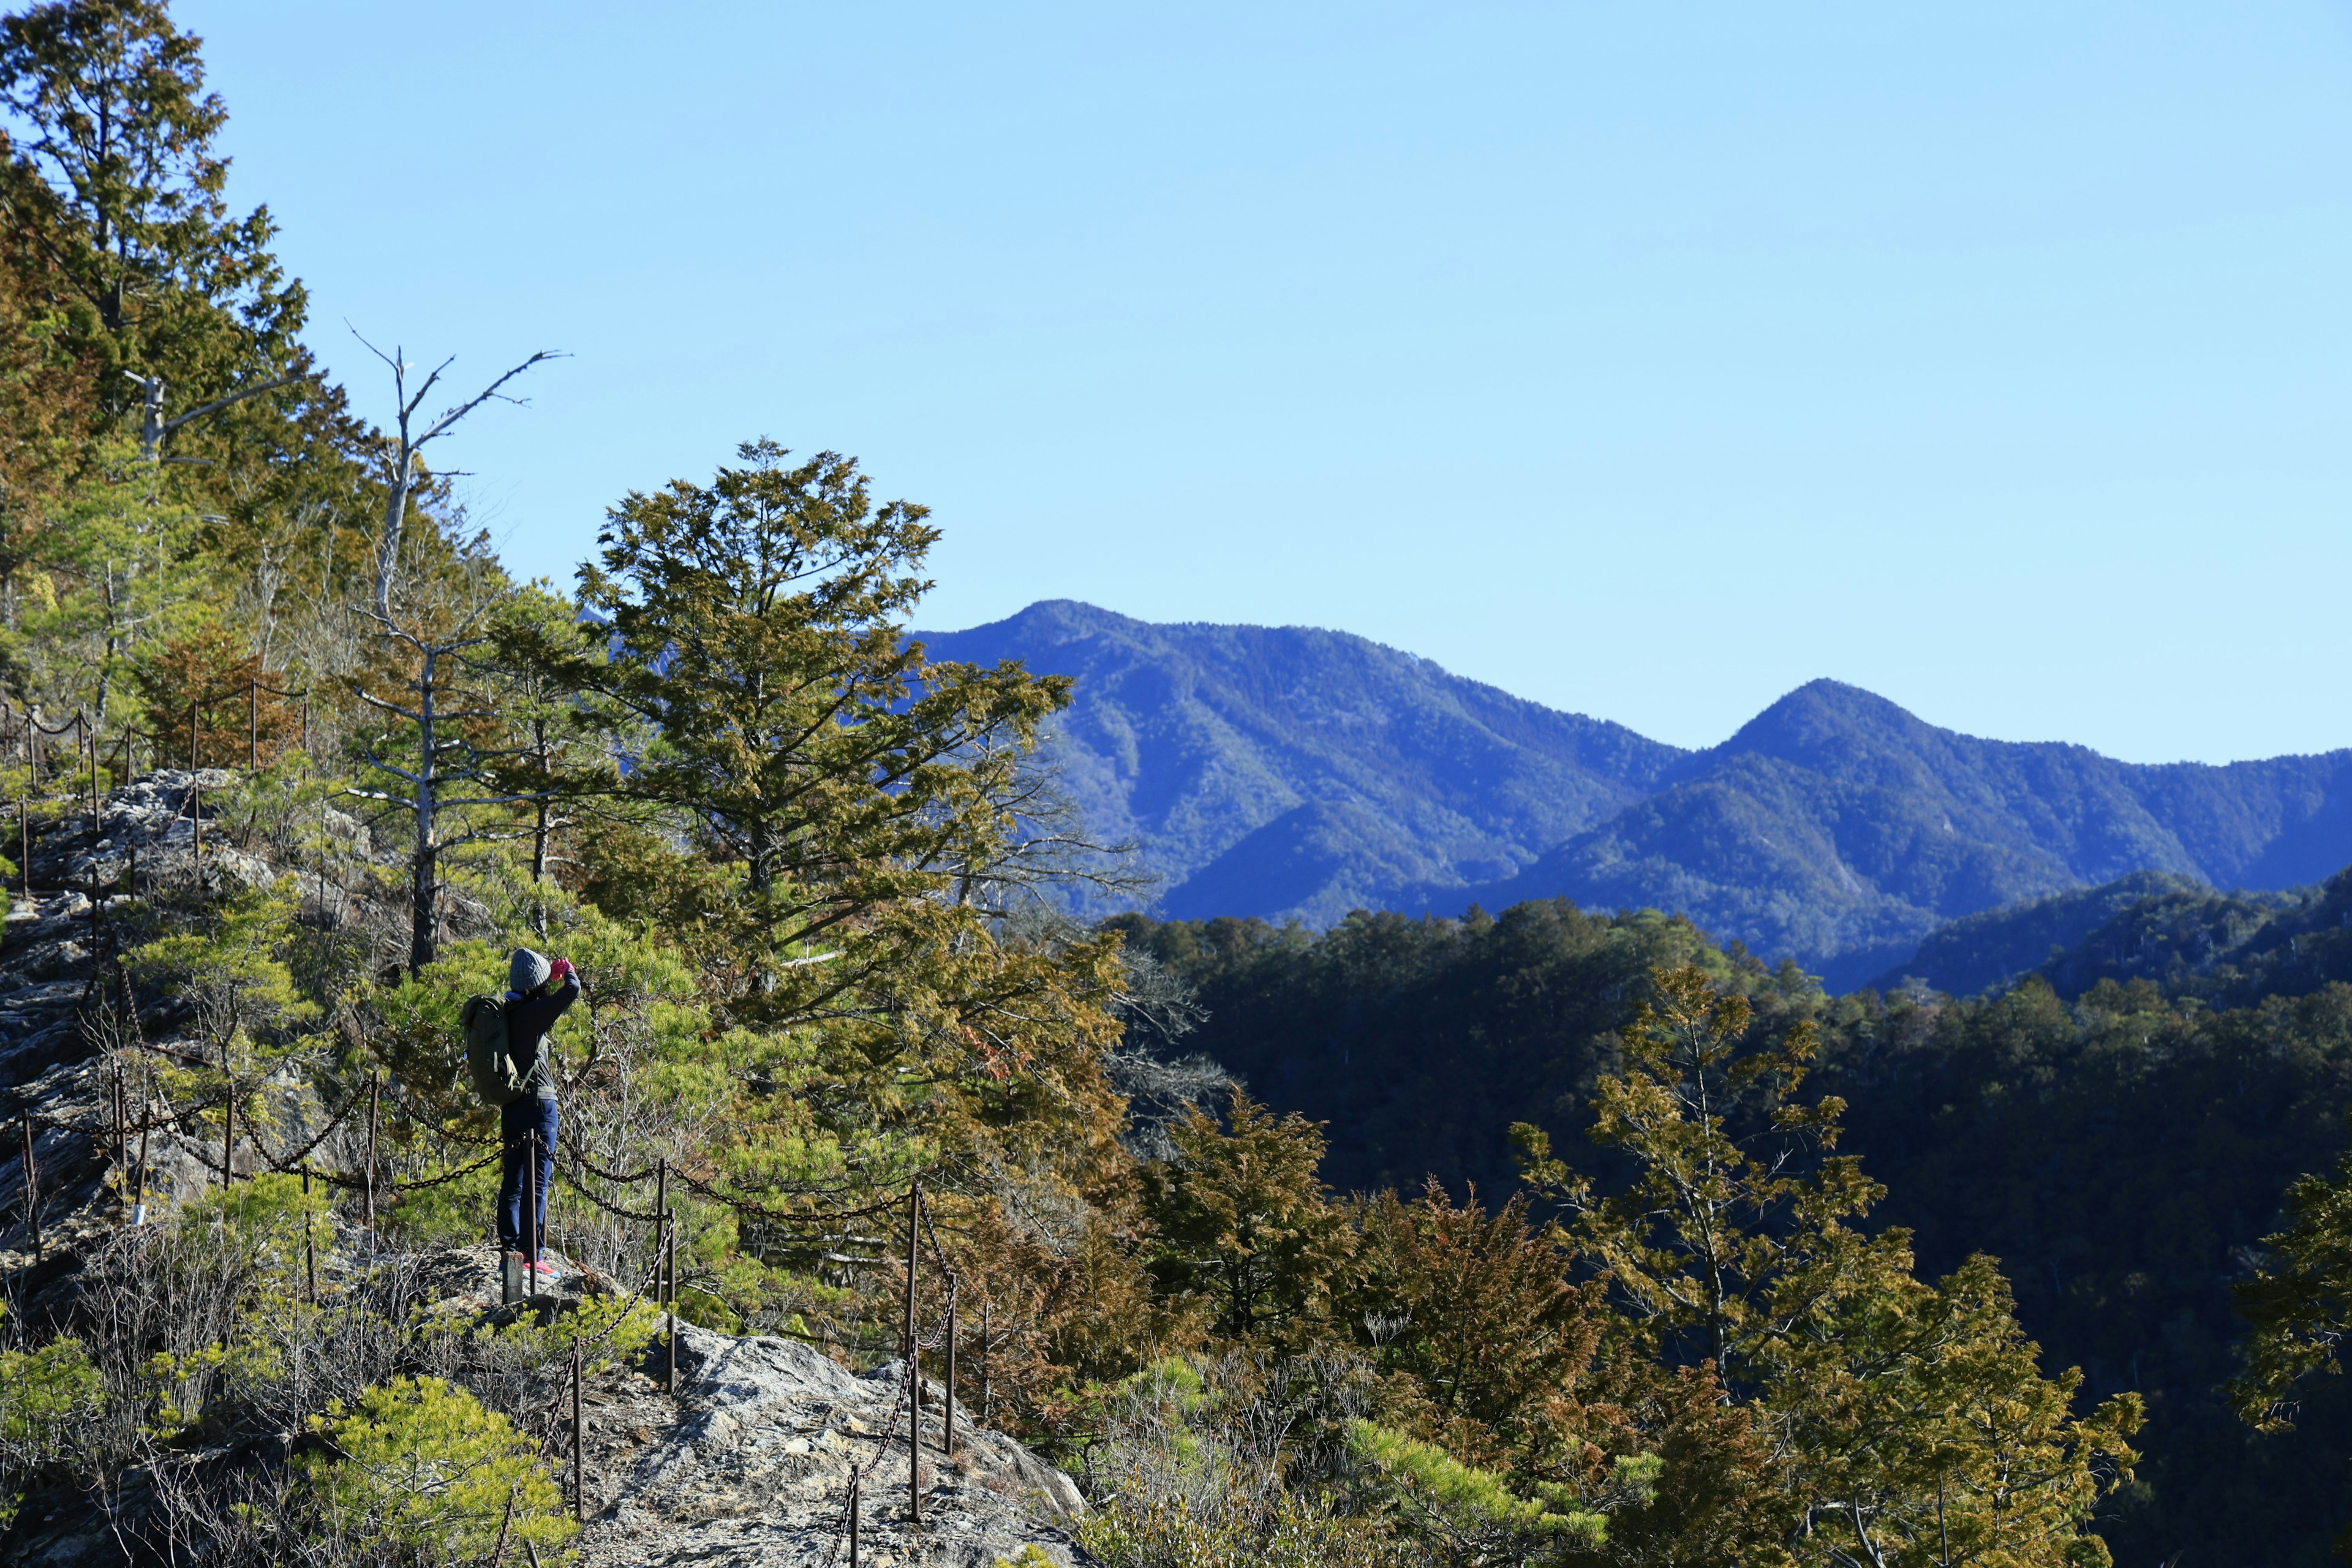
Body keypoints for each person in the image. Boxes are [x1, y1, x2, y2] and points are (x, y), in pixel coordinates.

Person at [496, 946, 578, 1280]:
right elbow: (572, 991)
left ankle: (510, 1254)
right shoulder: (535, 1013)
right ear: (540, 982)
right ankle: (534, 1257)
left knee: (513, 1181)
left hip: (512, 1107)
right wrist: (568, 971)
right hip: (540, 1109)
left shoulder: (508, 1013)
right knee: (538, 1183)